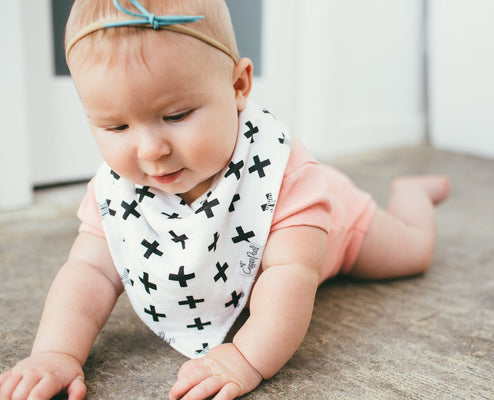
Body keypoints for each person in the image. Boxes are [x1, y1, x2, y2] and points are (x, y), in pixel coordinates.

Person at [0, 0, 450, 399]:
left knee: (412, 252)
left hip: (338, 221)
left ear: (238, 86)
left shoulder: (283, 174)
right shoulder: (120, 190)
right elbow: (89, 272)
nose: (150, 150)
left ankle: (411, 195)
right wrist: (56, 352)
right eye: (117, 127)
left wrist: (246, 358)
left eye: (175, 116)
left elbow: (289, 274)